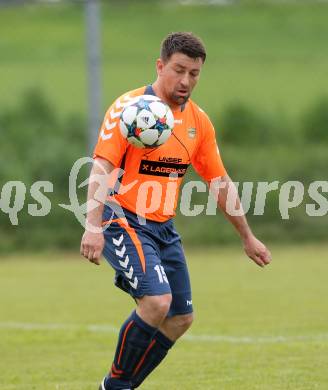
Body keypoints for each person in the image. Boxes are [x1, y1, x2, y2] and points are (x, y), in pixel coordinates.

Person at [80, 32, 271, 390]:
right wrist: (92, 225)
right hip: (120, 217)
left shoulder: (199, 123)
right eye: (179, 70)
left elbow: (220, 182)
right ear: (160, 66)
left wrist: (248, 237)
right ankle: (116, 387)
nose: (186, 81)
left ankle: (116, 386)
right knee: (156, 301)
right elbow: (102, 168)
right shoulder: (129, 109)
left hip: (162, 226)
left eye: (194, 74)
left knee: (180, 318)